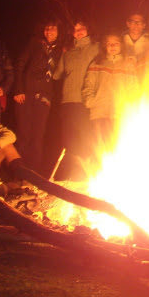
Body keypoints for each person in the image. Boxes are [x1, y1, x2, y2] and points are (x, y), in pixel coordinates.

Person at [13, 19, 63, 174]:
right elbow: (20, 65)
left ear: (58, 31)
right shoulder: (34, 44)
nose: (49, 31)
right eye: (47, 28)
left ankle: (34, 174)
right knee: (24, 134)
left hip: (45, 95)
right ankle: (19, 172)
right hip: (26, 93)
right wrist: (18, 89)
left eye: (53, 29)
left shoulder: (61, 49)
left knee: (38, 135)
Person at [52, 19, 99, 179]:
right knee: (69, 141)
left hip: (86, 102)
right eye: (75, 29)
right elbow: (57, 74)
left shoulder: (96, 48)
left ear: (89, 29)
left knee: (86, 139)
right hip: (67, 101)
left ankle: (85, 177)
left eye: (82, 28)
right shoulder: (69, 52)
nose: (78, 32)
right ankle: (70, 176)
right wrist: (62, 53)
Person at [82, 33, 138, 152]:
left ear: (121, 45)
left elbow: (133, 88)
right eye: (109, 44)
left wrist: (130, 107)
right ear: (104, 46)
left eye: (116, 43)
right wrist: (90, 101)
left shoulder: (128, 65)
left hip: (119, 113)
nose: (112, 46)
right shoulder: (97, 64)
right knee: (98, 147)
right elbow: (88, 85)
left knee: (117, 147)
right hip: (99, 111)